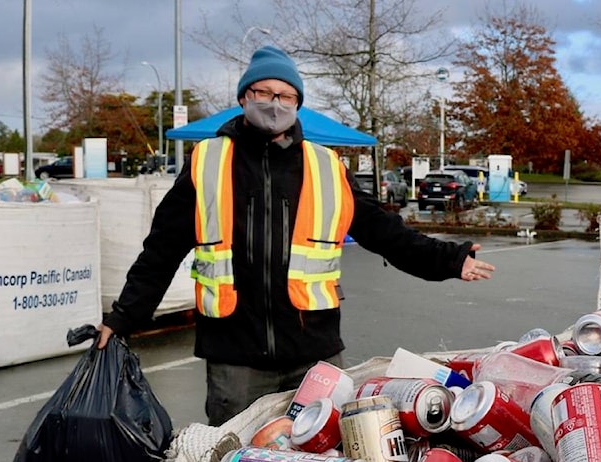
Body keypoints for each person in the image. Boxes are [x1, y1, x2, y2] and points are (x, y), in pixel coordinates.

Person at [97, 46, 495, 426]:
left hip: (313, 353)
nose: (276, 103)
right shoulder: (207, 162)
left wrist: (450, 259)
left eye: (287, 96)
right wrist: (123, 318)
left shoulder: (325, 166)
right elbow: (161, 250)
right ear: (244, 97)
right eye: (265, 92)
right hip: (235, 358)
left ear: (298, 104)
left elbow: (383, 231)